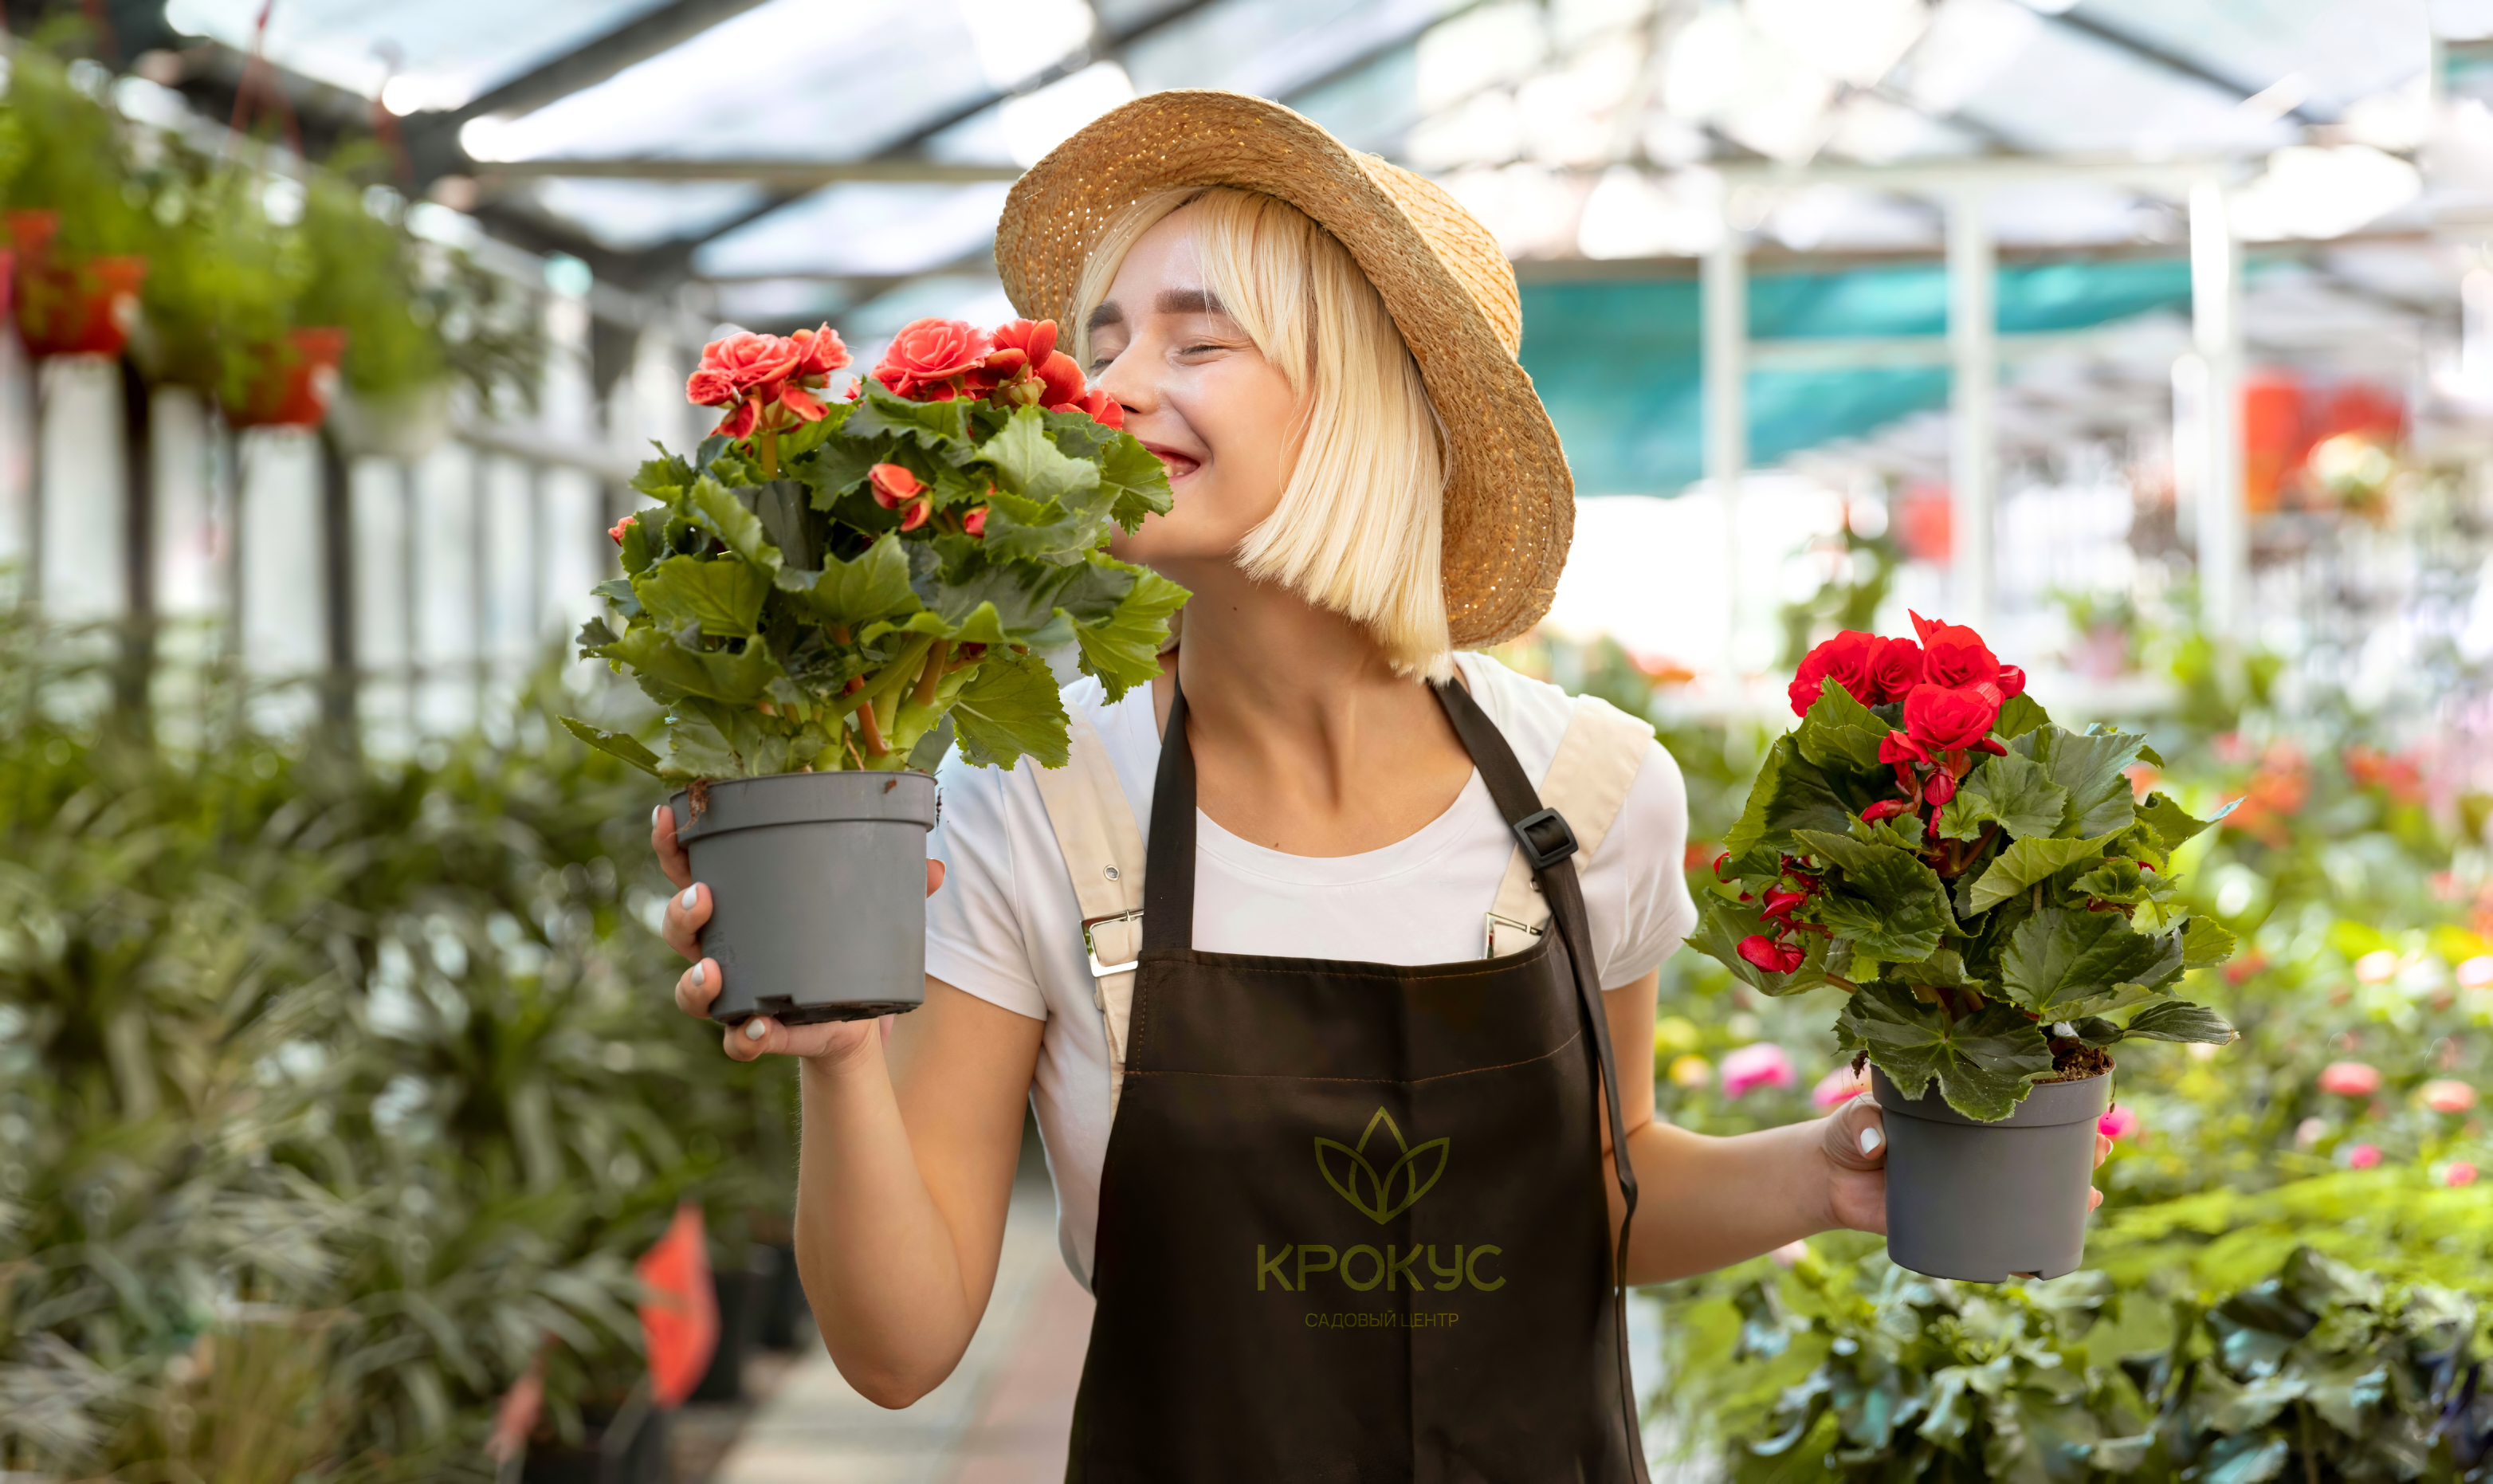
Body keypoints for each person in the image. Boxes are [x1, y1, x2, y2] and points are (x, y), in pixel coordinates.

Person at [654, 92, 2106, 1481]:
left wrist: (1822, 1175)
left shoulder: (1590, 792)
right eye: (1104, 339)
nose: (1110, 387)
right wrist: (840, 1063)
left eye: (1194, 337)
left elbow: (1599, 1189)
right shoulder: (1039, 802)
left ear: (1359, 395)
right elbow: (900, 1351)